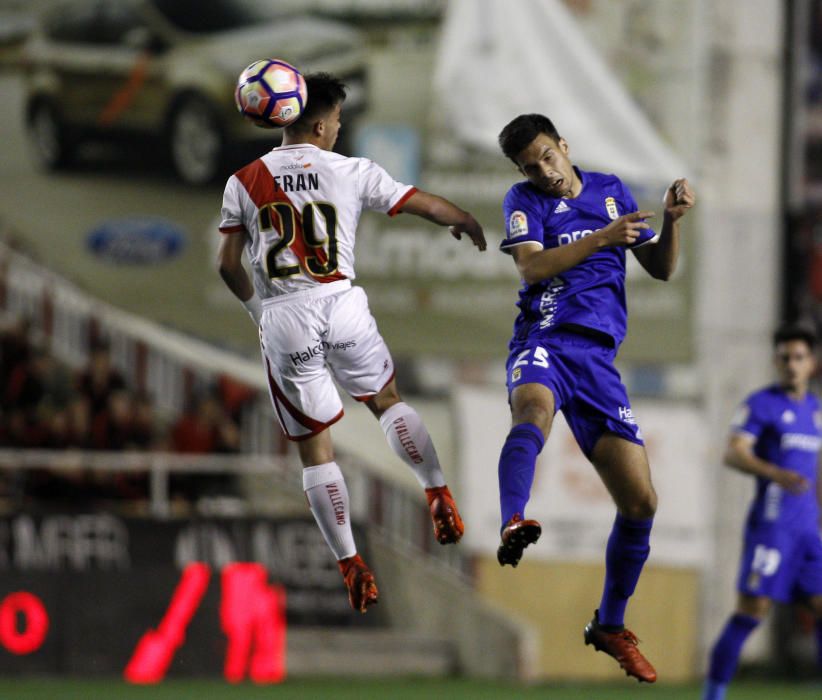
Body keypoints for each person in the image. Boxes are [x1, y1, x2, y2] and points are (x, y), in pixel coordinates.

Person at [217, 72, 486, 613]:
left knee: (316, 451)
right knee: (387, 403)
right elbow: (420, 203)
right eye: (337, 121)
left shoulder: (243, 180)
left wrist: (258, 311)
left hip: (286, 316)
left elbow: (226, 265)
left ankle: (350, 563)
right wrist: (461, 217)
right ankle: (435, 490)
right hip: (341, 304)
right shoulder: (351, 170)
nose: (339, 130)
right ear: (319, 124)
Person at [494, 113, 695, 682]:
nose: (543, 172)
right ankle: (513, 519)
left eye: (547, 157)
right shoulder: (524, 200)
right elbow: (531, 267)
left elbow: (659, 268)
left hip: (599, 364)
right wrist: (602, 238)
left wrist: (673, 222)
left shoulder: (611, 191)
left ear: (564, 145)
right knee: (532, 409)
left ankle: (609, 624)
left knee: (641, 504)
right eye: (530, 167)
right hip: (546, 340)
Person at [703, 325, 822, 700]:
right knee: (752, 610)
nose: (791, 364)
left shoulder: (816, 410)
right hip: (772, 528)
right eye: (785, 357)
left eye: (799, 357)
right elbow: (734, 452)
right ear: (776, 361)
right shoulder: (761, 404)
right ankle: (714, 692)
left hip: (807, 530)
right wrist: (774, 472)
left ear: (812, 364)